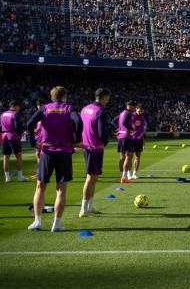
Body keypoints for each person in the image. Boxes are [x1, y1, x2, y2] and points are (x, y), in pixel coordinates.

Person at [26, 86, 82, 232]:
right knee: (61, 190)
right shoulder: (69, 108)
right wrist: (77, 138)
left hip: (47, 151)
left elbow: (29, 123)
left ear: (52, 96)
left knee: (40, 187)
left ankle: (37, 222)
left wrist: (32, 142)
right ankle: (56, 224)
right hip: (64, 151)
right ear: (65, 96)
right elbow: (78, 122)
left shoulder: (45, 108)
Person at [79, 88, 111, 218]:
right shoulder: (101, 111)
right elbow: (102, 132)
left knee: (94, 177)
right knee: (90, 178)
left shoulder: (85, 108)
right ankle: (83, 209)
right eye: (108, 97)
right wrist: (105, 141)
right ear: (104, 97)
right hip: (95, 147)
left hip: (86, 145)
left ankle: (89, 206)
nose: (108, 100)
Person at [0, 100, 27, 182]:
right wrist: (22, 132)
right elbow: (17, 126)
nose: (19, 108)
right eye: (19, 106)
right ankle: (20, 176)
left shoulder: (3, 114)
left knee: (6, 157)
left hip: (5, 137)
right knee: (18, 156)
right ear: (15, 106)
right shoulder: (16, 114)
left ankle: (7, 177)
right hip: (14, 137)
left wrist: (3, 130)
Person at [114, 100, 137, 184]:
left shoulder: (122, 113)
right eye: (134, 107)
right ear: (131, 106)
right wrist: (131, 129)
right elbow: (124, 122)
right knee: (129, 156)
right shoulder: (128, 113)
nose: (135, 109)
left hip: (120, 136)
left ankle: (122, 176)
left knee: (122, 157)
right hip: (126, 137)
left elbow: (113, 121)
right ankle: (124, 177)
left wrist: (118, 129)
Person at [129, 106, 147, 180]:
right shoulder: (131, 116)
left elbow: (143, 129)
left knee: (138, 157)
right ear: (136, 109)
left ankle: (134, 173)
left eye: (141, 111)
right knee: (129, 157)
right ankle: (128, 173)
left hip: (139, 140)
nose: (140, 112)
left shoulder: (142, 118)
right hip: (132, 139)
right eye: (139, 111)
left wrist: (143, 140)